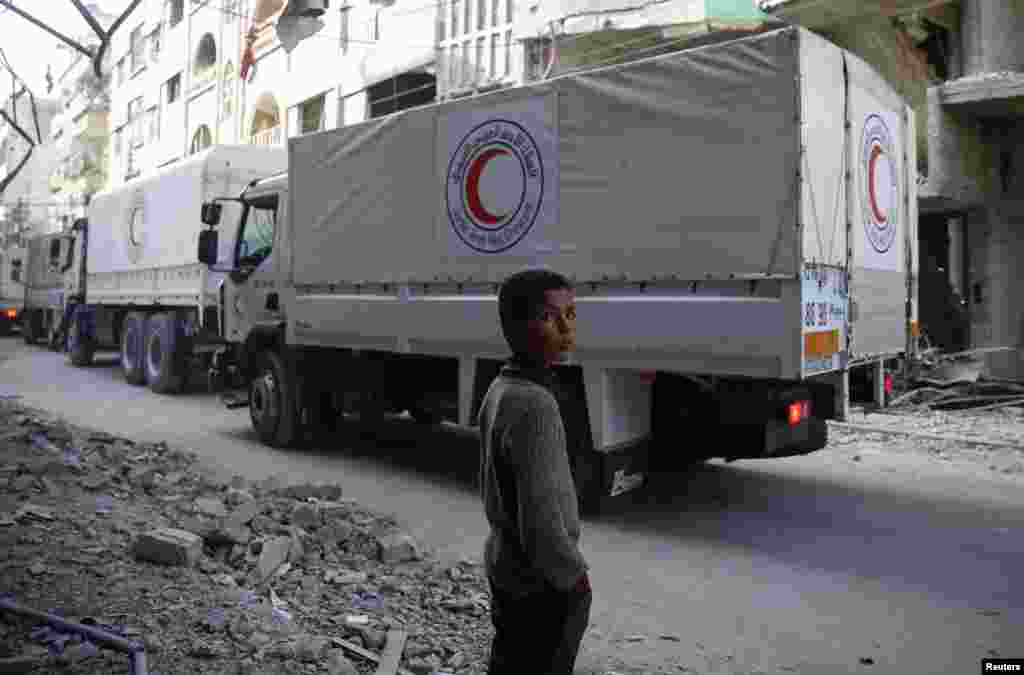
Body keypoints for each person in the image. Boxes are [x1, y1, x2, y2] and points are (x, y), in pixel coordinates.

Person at [477, 267, 591, 675]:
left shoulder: (500, 388)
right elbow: (541, 521)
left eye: (572, 314)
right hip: (541, 584)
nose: (565, 328)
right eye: (549, 317)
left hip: (506, 568)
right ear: (517, 326)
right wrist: (574, 579)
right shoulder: (535, 404)